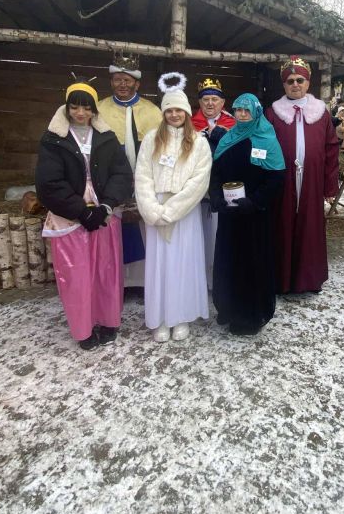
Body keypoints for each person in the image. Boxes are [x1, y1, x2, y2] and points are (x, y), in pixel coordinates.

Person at [36, 79, 133, 350]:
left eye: (87, 108)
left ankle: (108, 320)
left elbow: (121, 174)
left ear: (94, 110)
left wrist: (106, 205)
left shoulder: (106, 138)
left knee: (106, 271)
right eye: (75, 107)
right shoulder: (53, 140)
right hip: (69, 215)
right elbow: (48, 183)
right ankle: (83, 328)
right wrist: (81, 211)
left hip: (104, 214)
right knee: (77, 276)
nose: (81, 113)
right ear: (67, 108)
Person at [134, 74, 212, 343]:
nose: (174, 114)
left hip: (183, 213)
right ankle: (161, 318)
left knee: (183, 264)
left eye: (179, 110)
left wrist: (172, 211)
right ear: (164, 113)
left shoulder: (199, 142)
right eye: (169, 110)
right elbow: (142, 176)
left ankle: (181, 316)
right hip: (156, 211)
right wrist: (152, 210)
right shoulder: (151, 139)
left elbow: (199, 182)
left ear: (187, 113)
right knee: (160, 266)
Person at [209, 93, 285, 335]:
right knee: (228, 261)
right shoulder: (228, 138)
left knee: (250, 263)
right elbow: (216, 173)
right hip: (229, 215)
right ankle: (228, 308)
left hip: (254, 216)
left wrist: (254, 201)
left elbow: (276, 178)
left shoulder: (267, 140)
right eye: (238, 110)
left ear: (256, 113)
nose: (242, 114)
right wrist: (217, 197)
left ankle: (249, 315)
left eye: (247, 111)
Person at [265, 56, 339, 294]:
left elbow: (331, 149)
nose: (295, 84)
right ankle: (282, 280)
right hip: (283, 181)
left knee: (310, 227)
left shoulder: (321, 113)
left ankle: (308, 280)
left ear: (308, 83)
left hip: (312, 181)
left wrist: (330, 186)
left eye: (299, 80)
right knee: (282, 226)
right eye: (290, 81)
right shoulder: (273, 113)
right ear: (284, 85)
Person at [98, 53, 163, 291]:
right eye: (117, 80)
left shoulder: (152, 111)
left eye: (127, 80)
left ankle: (143, 282)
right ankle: (118, 283)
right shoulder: (99, 109)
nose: (122, 85)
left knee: (143, 227)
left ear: (137, 83)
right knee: (114, 227)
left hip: (144, 178)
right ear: (111, 81)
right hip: (111, 179)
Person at [191, 77, 236, 290]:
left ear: (222, 102)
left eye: (214, 99)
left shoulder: (233, 123)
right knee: (200, 234)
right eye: (205, 99)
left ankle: (220, 278)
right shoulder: (189, 124)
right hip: (198, 188)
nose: (210, 103)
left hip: (223, 187)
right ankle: (201, 278)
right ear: (199, 103)